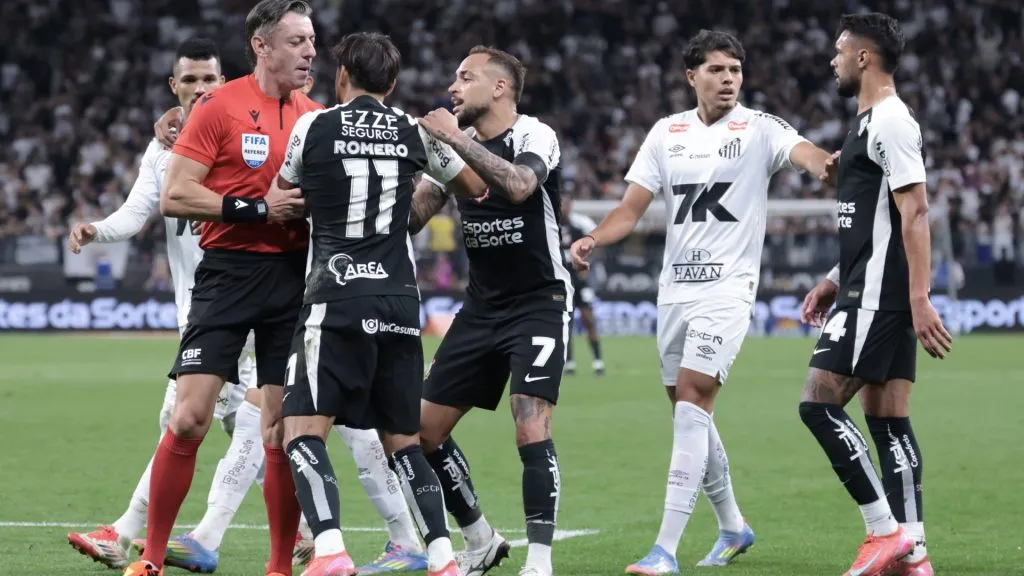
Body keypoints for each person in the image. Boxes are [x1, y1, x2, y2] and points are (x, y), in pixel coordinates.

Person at [570, 30, 833, 574]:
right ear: (692, 76)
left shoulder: (759, 129)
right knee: (687, 409)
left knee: (692, 400)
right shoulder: (666, 134)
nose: (729, 79)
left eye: (735, 69)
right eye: (716, 69)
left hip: (728, 290)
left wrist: (831, 164)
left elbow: (807, 155)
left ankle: (665, 549)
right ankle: (734, 526)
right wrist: (594, 237)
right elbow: (630, 209)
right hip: (675, 293)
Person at [119, 2, 319, 575]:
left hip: (292, 280)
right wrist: (257, 208)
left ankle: (280, 566)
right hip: (227, 272)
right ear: (262, 46)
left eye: (312, 40)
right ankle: (151, 558)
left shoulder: (315, 116)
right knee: (188, 419)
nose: (310, 51)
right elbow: (175, 195)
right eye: (297, 40)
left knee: (278, 429)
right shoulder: (218, 106)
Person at [276, 32, 483, 576]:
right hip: (398, 300)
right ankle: (442, 557)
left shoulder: (313, 125)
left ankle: (328, 552)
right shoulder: (413, 129)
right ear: (391, 84)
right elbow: (471, 184)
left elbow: (286, 195)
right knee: (404, 442)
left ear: (342, 76)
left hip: (335, 297)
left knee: (300, 430)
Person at [65, 37, 267, 574]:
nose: (202, 89)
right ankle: (316, 532)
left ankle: (132, 533)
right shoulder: (162, 150)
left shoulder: (244, 137)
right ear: (172, 87)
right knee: (249, 426)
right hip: (198, 312)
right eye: (191, 80)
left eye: (210, 79)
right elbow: (137, 213)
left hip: (244, 303)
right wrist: (98, 229)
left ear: (225, 82)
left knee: (209, 417)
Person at [798, 13, 950, 576]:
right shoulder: (865, 123)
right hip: (863, 286)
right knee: (887, 418)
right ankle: (914, 553)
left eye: (840, 50)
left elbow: (915, 210)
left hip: (880, 297)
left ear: (864, 58)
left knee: (817, 405)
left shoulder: (890, 121)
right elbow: (874, 219)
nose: (833, 59)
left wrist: (918, 297)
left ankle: (883, 532)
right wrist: (835, 277)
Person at [412, 46, 570, 576]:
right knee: (420, 432)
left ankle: (540, 562)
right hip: (480, 308)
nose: (453, 87)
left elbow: (521, 186)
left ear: (499, 87)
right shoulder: (453, 145)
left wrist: (453, 140)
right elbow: (416, 216)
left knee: (530, 425)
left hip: (539, 302)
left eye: (465, 78)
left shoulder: (535, 134)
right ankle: (479, 536)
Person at [558, 195, 604, 376]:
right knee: (565, 323)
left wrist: (587, 266)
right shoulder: (551, 229)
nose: (565, 209)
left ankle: (598, 361)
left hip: (579, 282)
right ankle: (569, 362)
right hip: (561, 282)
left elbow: (590, 250)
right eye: (563, 205)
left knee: (588, 319)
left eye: (568, 205)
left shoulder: (578, 229)